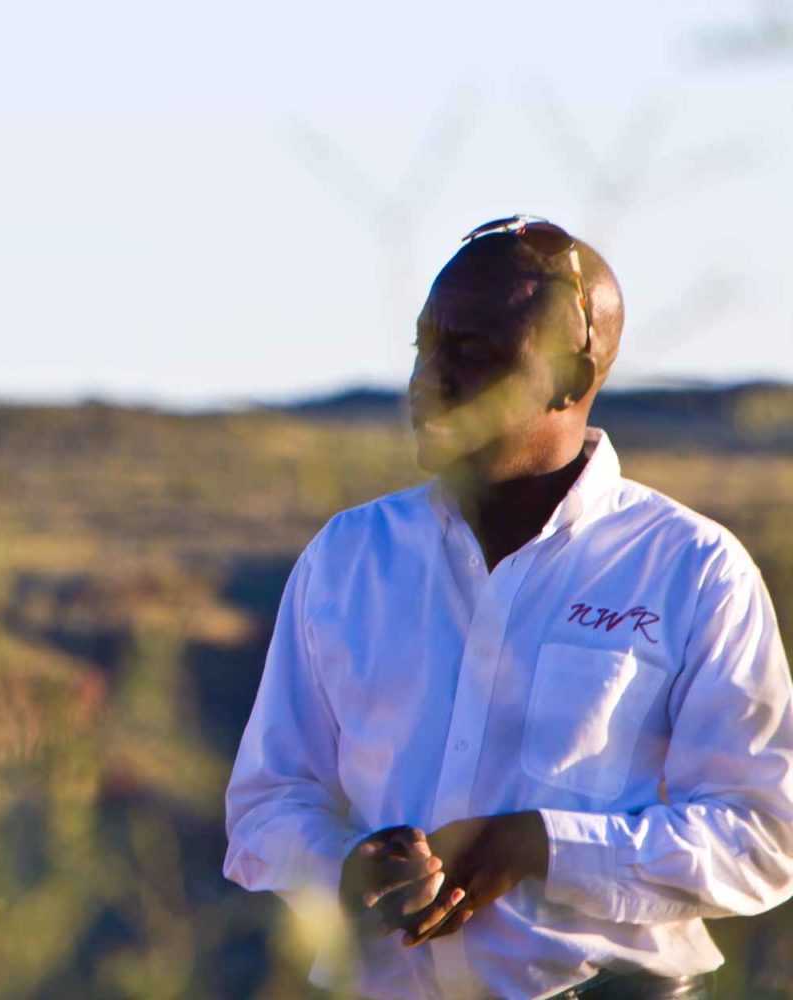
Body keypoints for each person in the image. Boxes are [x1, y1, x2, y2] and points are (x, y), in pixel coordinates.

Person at [223, 216, 793, 999]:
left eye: (473, 356)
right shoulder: (349, 558)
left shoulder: (692, 572)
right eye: (424, 349)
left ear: (570, 375)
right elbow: (267, 803)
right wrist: (342, 868)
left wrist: (545, 848)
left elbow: (765, 837)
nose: (428, 382)